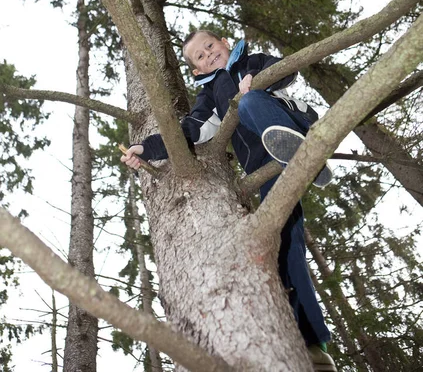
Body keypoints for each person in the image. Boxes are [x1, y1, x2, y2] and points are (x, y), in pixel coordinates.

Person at [121, 30, 337, 372]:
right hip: (269, 169)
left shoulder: (249, 61)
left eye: (210, 47)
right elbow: (190, 129)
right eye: (200, 58)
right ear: (195, 71)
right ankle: (313, 345)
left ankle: (304, 154)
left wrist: (257, 78)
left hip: (294, 125)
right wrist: (146, 148)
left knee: (249, 102)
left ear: (224, 42)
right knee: (284, 242)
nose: (209, 56)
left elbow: (287, 70)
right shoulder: (210, 96)